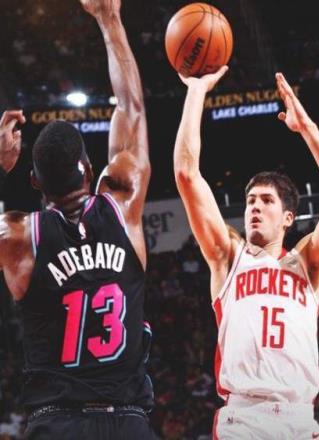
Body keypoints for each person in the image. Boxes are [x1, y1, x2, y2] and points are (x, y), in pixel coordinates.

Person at [174, 67, 319, 439]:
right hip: (243, 419)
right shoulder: (228, 257)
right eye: (250, 201)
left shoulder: (307, 262)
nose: (255, 207)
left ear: (288, 217)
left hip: (298, 419)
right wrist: (196, 91)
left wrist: (308, 129)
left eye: (266, 200)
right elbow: (187, 175)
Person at [0, 0, 156, 438]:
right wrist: (110, 19)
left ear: (34, 180)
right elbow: (132, 109)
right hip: (127, 421)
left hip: (57, 423)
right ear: (89, 169)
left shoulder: (19, 237)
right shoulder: (123, 205)